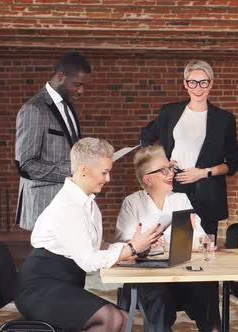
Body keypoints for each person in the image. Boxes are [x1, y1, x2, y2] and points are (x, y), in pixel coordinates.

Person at [15, 138, 162, 331]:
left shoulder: (87, 203)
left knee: (123, 318)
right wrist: (130, 248)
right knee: (112, 319)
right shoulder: (68, 207)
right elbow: (89, 260)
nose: (108, 179)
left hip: (61, 286)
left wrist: (135, 248)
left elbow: (98, 245)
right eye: (104, 172)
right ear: (84, 170)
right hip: (39, 290)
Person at [115, 145, 221, 332]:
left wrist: (204, 241)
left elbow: (200, 236)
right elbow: (124, 244)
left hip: (179, 275)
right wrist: (144, 245)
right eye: (163, 170)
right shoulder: (132, 203)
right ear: (147, 179)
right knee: (159, 296)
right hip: (147, 280)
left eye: (170, 168)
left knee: (206, 288)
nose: (170, 173)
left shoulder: (180, 199)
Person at [140, 59, 238, 236]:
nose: (198, 88)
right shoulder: (170, 112)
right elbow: (145, 138)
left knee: (206, 245)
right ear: (185, 84)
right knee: (173, 241)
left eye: (203, 82)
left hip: (208, 191)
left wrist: (204, 172)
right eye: (192, 82)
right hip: (174, 186)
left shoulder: (224, 119)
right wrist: (163, 163)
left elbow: (234, 162)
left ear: (211, 83)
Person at [15, 52, 91, 230]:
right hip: (44, 206)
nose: (81, 91)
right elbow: (26, 165)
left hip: (67, 203)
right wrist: (73, 170)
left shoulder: (68, 106)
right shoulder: (34, 109)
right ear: (60, 76)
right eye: (77, 85)